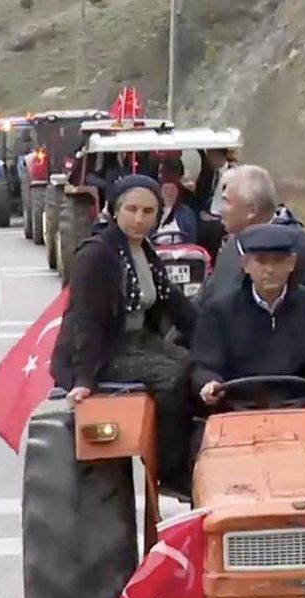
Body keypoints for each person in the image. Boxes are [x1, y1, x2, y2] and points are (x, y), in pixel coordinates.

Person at [51, 174, 197, 493]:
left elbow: (174, 303)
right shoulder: (97, 255)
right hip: (105, 351)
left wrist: (211, 340)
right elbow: (85, 321)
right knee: (174, 377)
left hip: (138, 341)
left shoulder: (144, 251)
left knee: (197, 365)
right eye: (132, 209)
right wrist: (84, 379)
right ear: (115, 210)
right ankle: (169, 471)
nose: (139, 219)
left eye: (148, 211)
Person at [191, 224, 305, 408]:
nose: (269, 269)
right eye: (261, 261)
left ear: (291, 263)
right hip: (237, 408)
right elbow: (205, 365)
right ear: (245, 264)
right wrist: (209, 383)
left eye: (278, 261)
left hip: (302, 405)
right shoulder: (217, 311)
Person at [198, 164, 305, 302]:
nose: (221, 210)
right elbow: (207, 300)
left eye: (227, 202)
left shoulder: (303, 251)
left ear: (252, 211)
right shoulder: (233, 244)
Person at [154, 177, 198, 244]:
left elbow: (190, 238)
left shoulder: (186, 212)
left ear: (178, 192)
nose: (169, 192)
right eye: (166, 189)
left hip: (180, 247)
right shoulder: (154, 210)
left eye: (172, 189)